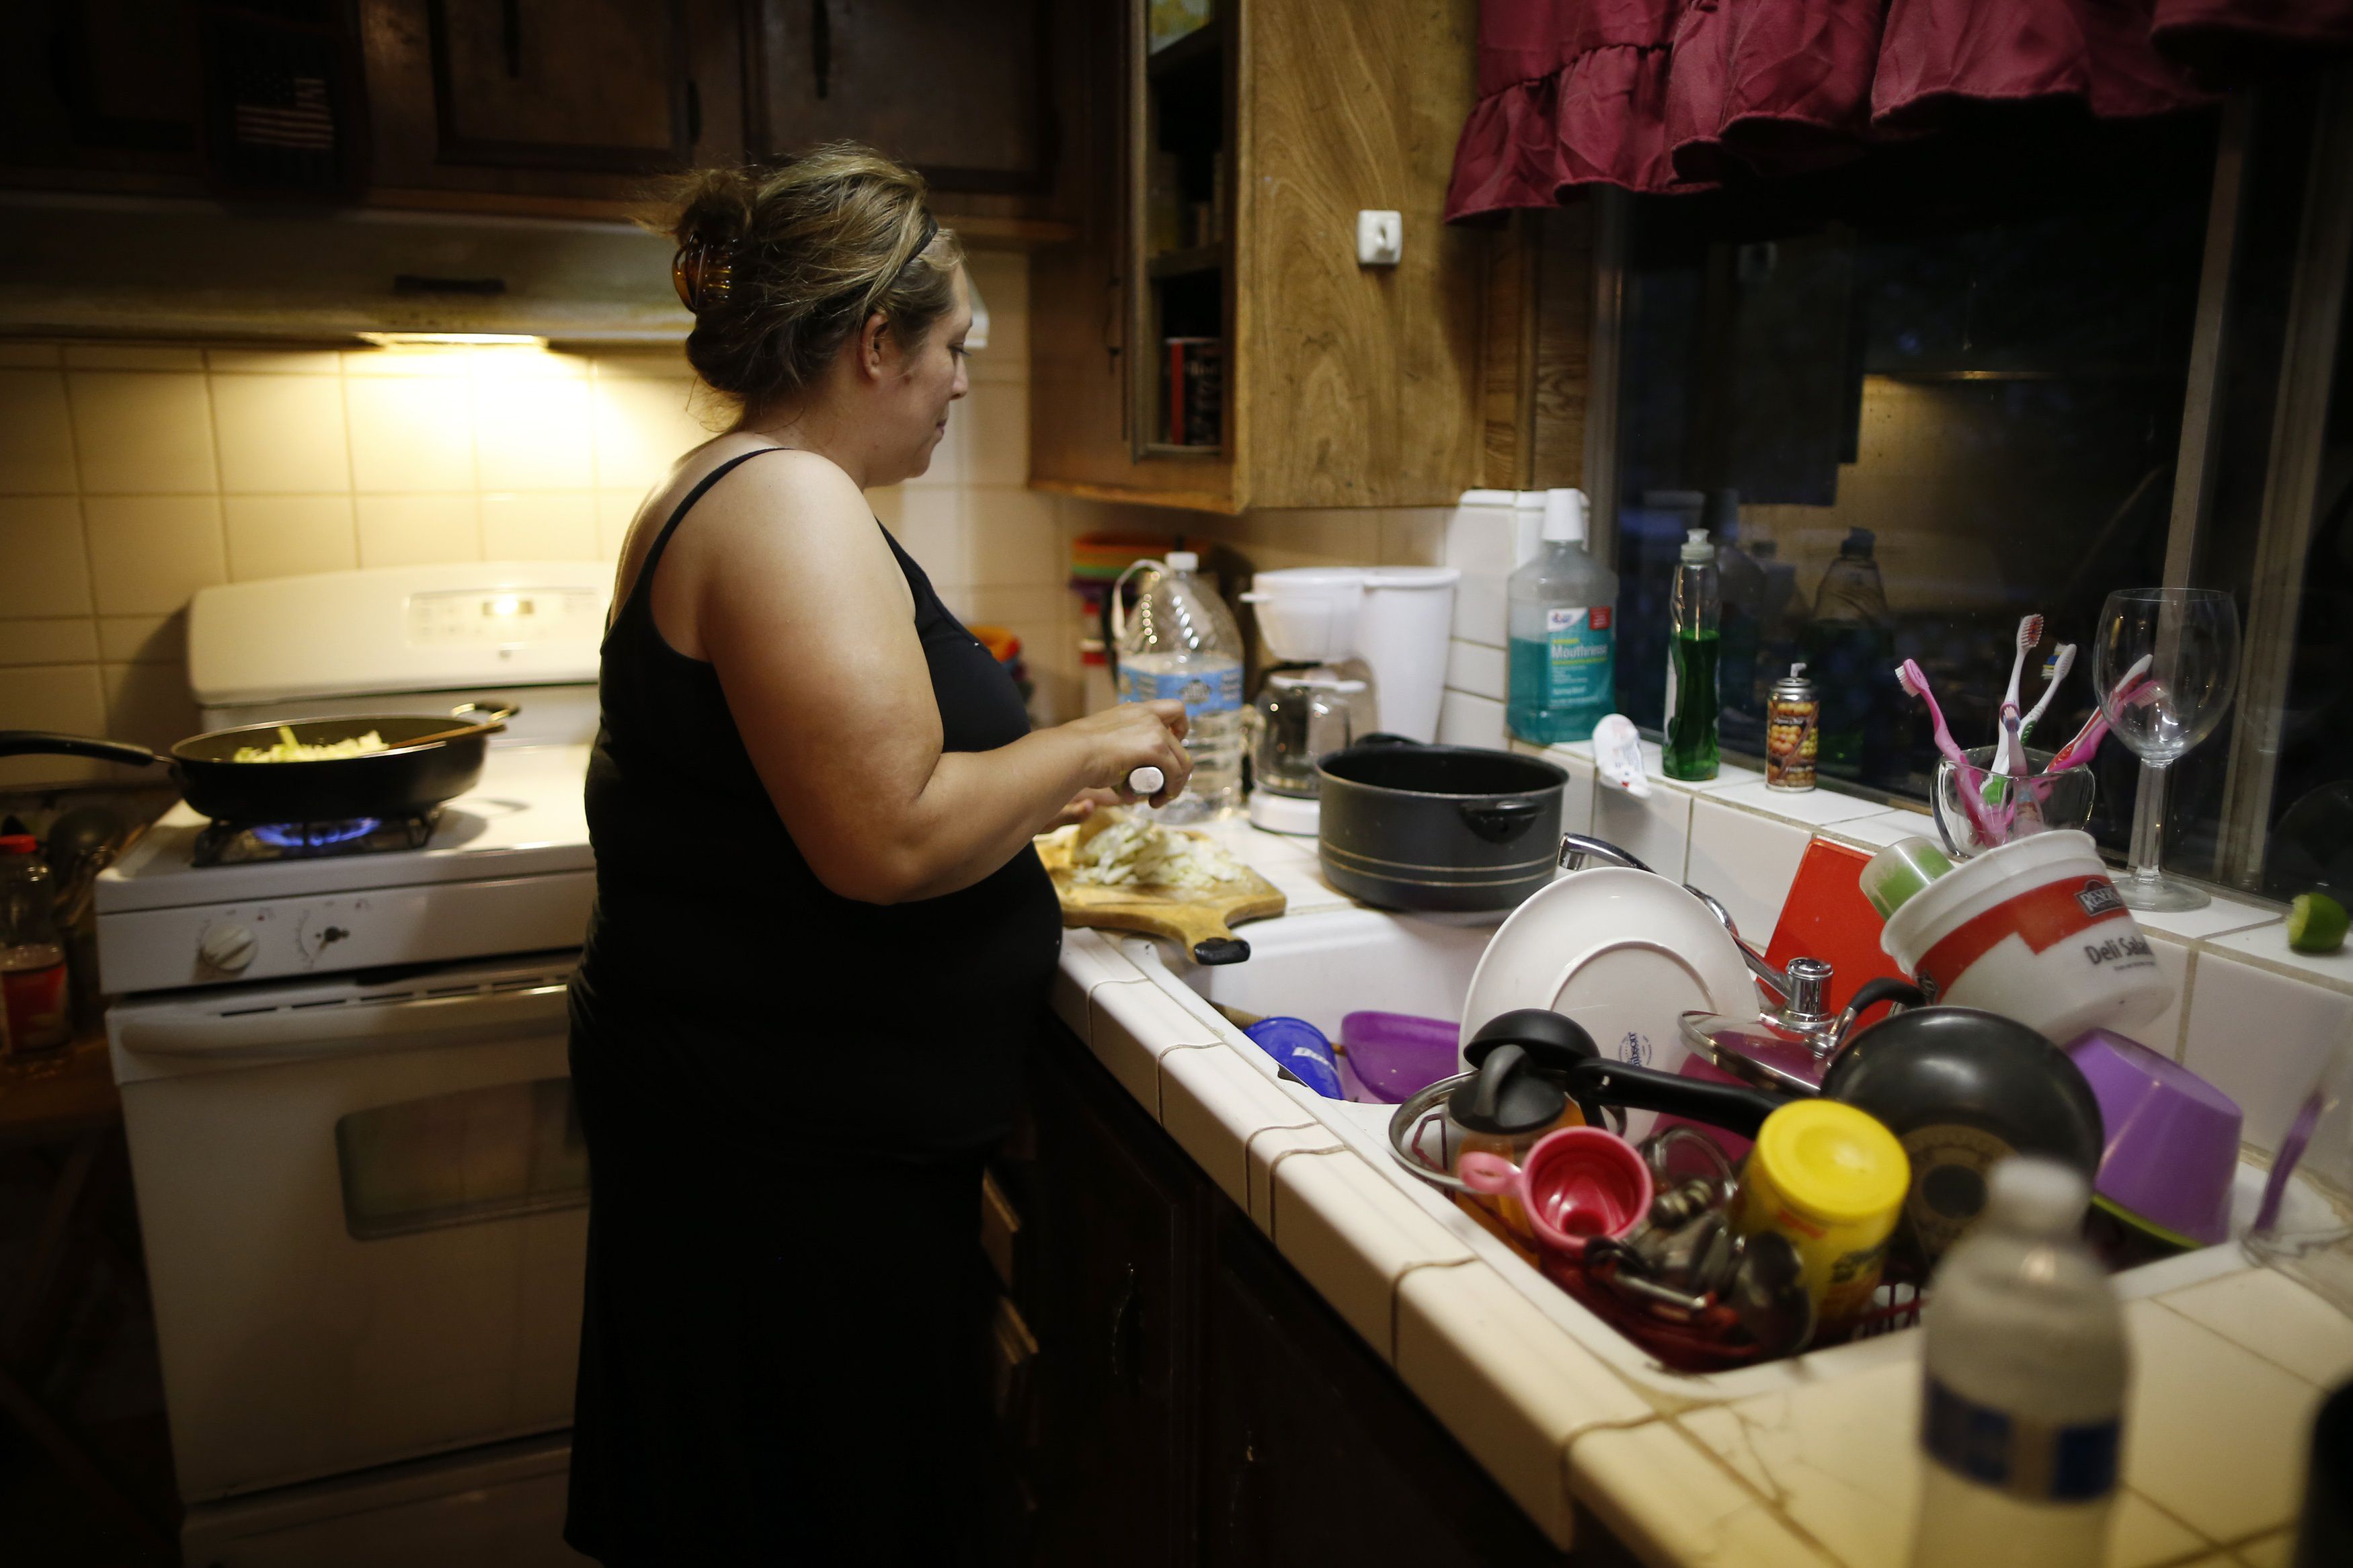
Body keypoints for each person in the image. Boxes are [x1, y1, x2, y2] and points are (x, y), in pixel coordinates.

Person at [565, 142, 1192, 1563]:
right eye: (952, 346)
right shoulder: (784, 502)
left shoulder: (729, 484)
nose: (963, 381)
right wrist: (1089, 748)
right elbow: (889, 837)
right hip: (783, 1171)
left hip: (780, 1136)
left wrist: (1022, 795)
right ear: (872, 344)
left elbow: (834, 800)